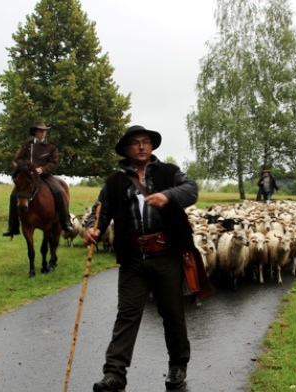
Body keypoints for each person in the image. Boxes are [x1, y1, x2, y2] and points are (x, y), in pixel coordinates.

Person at [83, 125, 200, 392]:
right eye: (135, 143)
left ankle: (177, 365)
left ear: (152, 146)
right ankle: (114, 374)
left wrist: (168, 195)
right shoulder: (115, 181)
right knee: (126, 315)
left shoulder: (169, 172)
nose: (141, 146)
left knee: (172, 313)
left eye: (145, 141)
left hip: (166, 254)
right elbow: (100, 211)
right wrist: (93, 228)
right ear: (126, 149)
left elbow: (191, 190)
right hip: (133, 259)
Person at [2, 121, 75, 237]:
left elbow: (54, 162)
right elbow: (18, 159)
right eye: (41, 131)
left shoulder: (51, 148)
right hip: (28, 176)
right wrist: (26, 167)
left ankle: (65, 222)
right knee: (13, 195)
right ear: (35, 132)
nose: (43, 133)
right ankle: (13, 227)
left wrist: (43, 169)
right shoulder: (26, 146)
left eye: (44, 131)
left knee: (60, 191)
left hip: (45, 176)